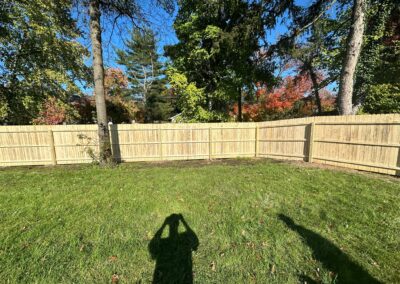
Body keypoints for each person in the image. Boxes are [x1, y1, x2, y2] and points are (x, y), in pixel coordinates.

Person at [149, 214, 199, 284]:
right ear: (178, 224)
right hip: (184, 276)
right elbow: (195, 242)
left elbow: (153, 247)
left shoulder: (164, 243)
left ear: (169, 225)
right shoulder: (184, 240)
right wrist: (183, 221)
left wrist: (163, 225)